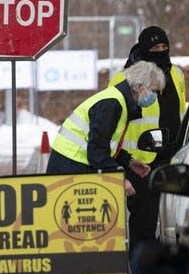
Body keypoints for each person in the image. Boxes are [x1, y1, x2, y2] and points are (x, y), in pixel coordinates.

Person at [107, 26, 187, 274]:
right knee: (144, 220)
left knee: (175, 218)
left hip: (172, 156)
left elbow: (182, 110)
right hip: (140, 159)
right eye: (154, 50)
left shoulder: (176, 74)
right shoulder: (124, 79)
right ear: (143, 51)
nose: (161, 53)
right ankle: (144, 273)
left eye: (165, 48)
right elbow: (115, 122)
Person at [47, 60, 166, 196]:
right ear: (139, 87)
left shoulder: (118, 101)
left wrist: (129, 161)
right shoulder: (111, 104)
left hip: (74, 162)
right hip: (70, 164)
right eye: (154, 91)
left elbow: (105, 143)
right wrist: (118, 178)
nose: (155, 97)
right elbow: (97, 150)